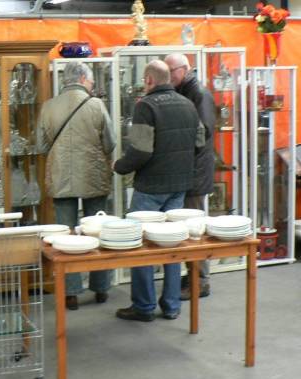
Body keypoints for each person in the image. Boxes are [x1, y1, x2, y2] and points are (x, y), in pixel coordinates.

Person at [113, 60, 204, 322]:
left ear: (150, 80)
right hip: (179, 186)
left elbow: (141, 150)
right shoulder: (187, 104)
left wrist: (119, 166)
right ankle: (172, 305)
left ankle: (143, 306)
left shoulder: (146, 106)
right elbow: (200, 142)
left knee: (140, 244)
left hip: (151, 187)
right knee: (172, 244)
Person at [38, 62, 116, 311]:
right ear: (83, 78)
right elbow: (111, 142)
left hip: (61, 176)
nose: (92, 85)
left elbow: (41, 146)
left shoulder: (48, 107)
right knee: (97, 231)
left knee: (65, 235)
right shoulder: (96, 105)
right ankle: (100, 287)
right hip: (93, 176)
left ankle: (70, 292)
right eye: (91, 81)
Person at [164, 53, 216, 301]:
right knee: (187, 225)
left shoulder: (199, 94)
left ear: (184, 69)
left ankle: (201, 281)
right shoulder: (186, 91)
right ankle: (193, 275)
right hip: (189, 169)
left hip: (195, 171)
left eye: (171, 71)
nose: (168, 75)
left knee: (194, 228)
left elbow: (203, 133)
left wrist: (177, 148)